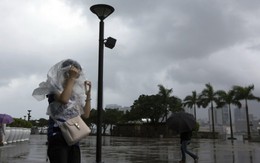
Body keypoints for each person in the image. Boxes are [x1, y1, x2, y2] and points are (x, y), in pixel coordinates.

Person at [32, 59, 91, 163]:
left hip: (74, 137)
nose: (76, 77)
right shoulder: (54, 88)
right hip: (58, 136)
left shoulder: (75, 93)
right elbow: (64, 99)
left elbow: (85, 115)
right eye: (73, 73)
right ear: (64, 73)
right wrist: (71, 78)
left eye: (77, 75)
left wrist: (88, 94)